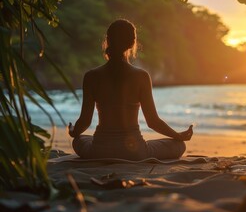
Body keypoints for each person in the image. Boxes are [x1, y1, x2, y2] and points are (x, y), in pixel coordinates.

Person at [68, 19, 193, 160]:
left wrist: (73, 131)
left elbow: (85, 121)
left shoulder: (91, 76)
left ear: (108, 40)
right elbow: (152, 121)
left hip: (100, 150)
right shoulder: (141, 76)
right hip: (135, 152)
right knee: (179, 145)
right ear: (132, 43)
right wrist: (178, 135)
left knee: (79, 140)